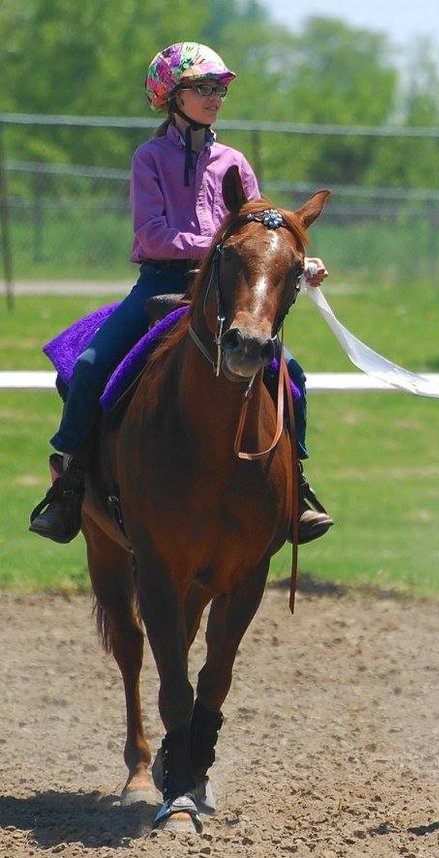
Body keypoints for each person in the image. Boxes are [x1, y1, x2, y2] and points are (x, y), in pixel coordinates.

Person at [28, 41, 333, 545]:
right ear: (173, 96)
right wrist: (220, 243)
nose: (215, 97)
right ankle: (69, 488)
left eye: (219, 89)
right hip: (160, 283)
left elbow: (258, 232)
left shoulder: (234, 160)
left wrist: (297, 261)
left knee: (292, 375)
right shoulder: (148, 158)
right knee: (87, 367)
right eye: (204, 88)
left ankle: (295, 488)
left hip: (225, 290)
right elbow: (151, 234)